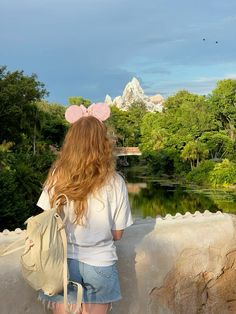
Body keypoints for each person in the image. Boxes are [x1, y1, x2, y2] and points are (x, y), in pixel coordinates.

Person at [36, 103, 133, 314]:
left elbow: (46, 222)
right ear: (103, 143)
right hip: (100, 262)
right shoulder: (115, 182)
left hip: (60, 263)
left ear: (71, 142)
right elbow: (117, 234)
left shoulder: (56, 176)